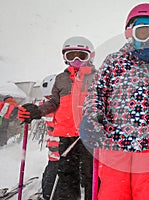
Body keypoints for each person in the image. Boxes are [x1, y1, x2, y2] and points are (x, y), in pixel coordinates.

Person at [80, 3, 149, 200]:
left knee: (146, 191)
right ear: (130, 33)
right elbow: (96, 91)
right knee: (113, 191)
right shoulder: (114, 61)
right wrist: (92, 116)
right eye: (143, 33)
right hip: (113, 140)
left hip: (148, 141)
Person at [18, 36, 96, 200]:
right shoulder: (61, 79)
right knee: (67, 175)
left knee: (91, 175)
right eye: (71, 55)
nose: (76, 60)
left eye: (81, 56)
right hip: (67, 136)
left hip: (90, 136)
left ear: (90, 57)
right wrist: (37, 111)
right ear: (65, 58)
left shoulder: (97, 77)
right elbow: (53, 102)